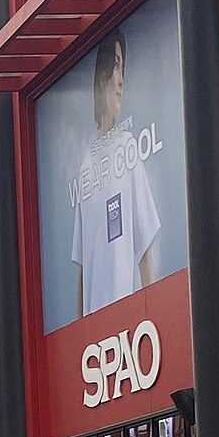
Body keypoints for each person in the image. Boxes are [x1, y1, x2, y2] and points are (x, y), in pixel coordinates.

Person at [71, 30, 161, 321]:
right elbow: (82, 268)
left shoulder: (128, 147)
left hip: (128, 321)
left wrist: (154, 318)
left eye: (124, 70)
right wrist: (79, 332)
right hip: (96, 331)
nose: (121, 80)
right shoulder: (85, 167)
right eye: (116, 66)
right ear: (101, 78)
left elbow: (144, 245)